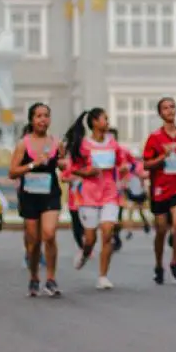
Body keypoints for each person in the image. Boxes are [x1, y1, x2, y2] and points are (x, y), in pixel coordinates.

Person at [65, 107, 131, 290]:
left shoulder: (112, 143)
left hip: (109, 194)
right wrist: (87, 172)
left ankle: (103, 276)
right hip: (89, 196)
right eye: (105, 119)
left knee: (108, 232)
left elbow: (121, 161)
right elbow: (71, 168)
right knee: (90, 239)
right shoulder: (83, 145)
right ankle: (85, 252)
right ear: (94, 122)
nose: (108, 122)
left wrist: (123, 167)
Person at [8, 102, 64, 298]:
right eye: (39, 116)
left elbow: (64, 165)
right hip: (30, 195)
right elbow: (12, 172)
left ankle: (51, 278)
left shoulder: (56, 142)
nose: (43, 119)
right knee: (33, 242)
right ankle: (34, 276)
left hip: (50, 193)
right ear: (32, 120)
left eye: (46, 115)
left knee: (49, 234)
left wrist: (64, 164)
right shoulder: (24, 144)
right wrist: (33, 164)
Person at [143, 97, 176, 284]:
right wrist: (162, 157)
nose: (170, 110)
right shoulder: (155, 138)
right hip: (160, 189)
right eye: (165, 108)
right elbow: (146, 164)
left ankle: (175, 261)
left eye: (172, 107)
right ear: (160, 113)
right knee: (161, 230)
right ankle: (158, 264)